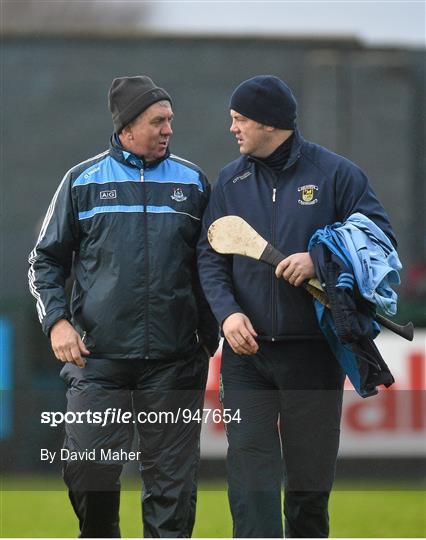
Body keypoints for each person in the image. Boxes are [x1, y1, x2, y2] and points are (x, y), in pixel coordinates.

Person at [197, 75, 397, 538]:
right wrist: (228, 314)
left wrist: (320, 259)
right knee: (251, 478)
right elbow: (210, 257)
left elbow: (381, 241)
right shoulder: (230, 181)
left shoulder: (337, 175)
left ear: (270, 123)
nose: (233, 129)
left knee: (309, 485)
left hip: (314, 353)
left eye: (240, 119)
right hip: (247, 358)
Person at [28, 75, 219, 538]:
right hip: (99, 359)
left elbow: (213, 267)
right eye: (158, 121)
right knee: (89, 470)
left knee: (171, 489)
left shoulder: (194, 184)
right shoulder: (82, 181)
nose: (168, 129)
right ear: (127, 127)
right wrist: (57, 323)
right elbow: (44, 261)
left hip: (175, 362)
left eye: (170, 120)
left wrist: (208, 338)